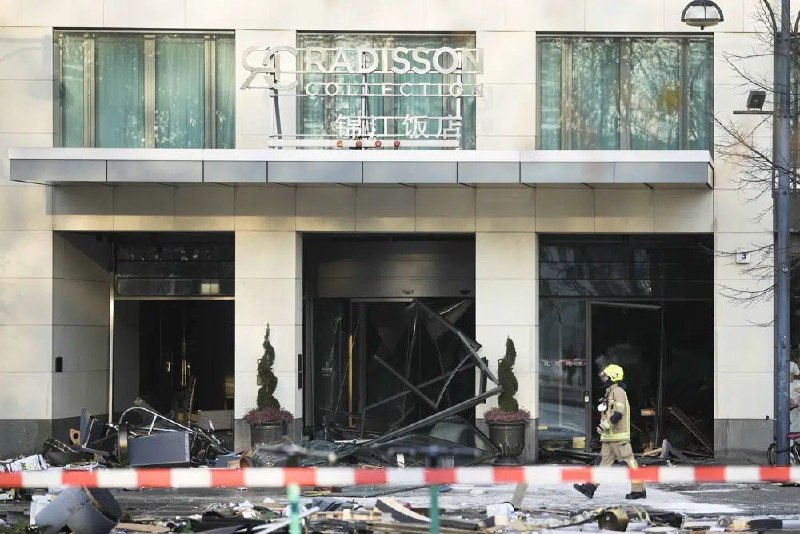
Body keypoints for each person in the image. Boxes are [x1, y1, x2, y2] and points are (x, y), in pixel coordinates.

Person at [573, 364, 646, 500]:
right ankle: (590, 487)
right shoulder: (609, 392)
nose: (604, 379)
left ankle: (639, 490)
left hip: (619, 437)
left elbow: (618, 414)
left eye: (606, 376)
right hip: (609, 437)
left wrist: (604, 426)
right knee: (603, 463)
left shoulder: (618, 392)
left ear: (613, 377)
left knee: (630, 462)